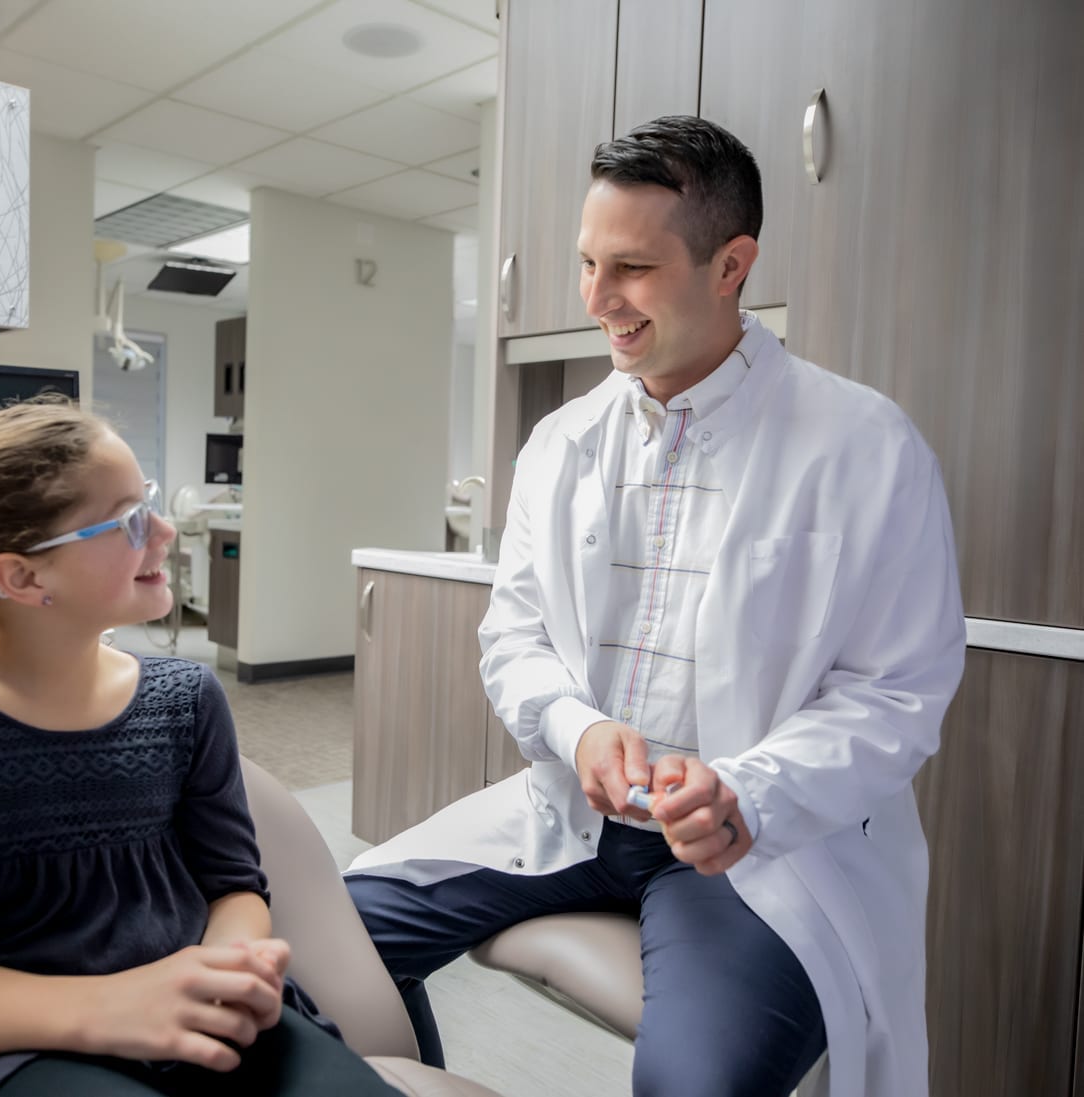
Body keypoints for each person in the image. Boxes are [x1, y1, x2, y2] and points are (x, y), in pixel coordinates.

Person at [345, 116, 966, 1097]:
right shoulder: (562, 441)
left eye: (630, 267)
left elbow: (896, 693)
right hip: (570, 806)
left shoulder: (863, 446)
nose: (597, 299)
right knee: (319, 955)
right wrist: (580, 728)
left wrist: (746, 793)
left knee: (691, 1082)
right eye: (588, 262)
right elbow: (516, 635)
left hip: (750, 845)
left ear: (732, 264)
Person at [0, 398, 399, 1097]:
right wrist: (127, 1006)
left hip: (190, 1014)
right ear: (24, 577)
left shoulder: (187, 700)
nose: (162, 530)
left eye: (148, 502)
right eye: (129, 520)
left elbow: (235, 885)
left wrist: (216, 976)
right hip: (9, 1054)